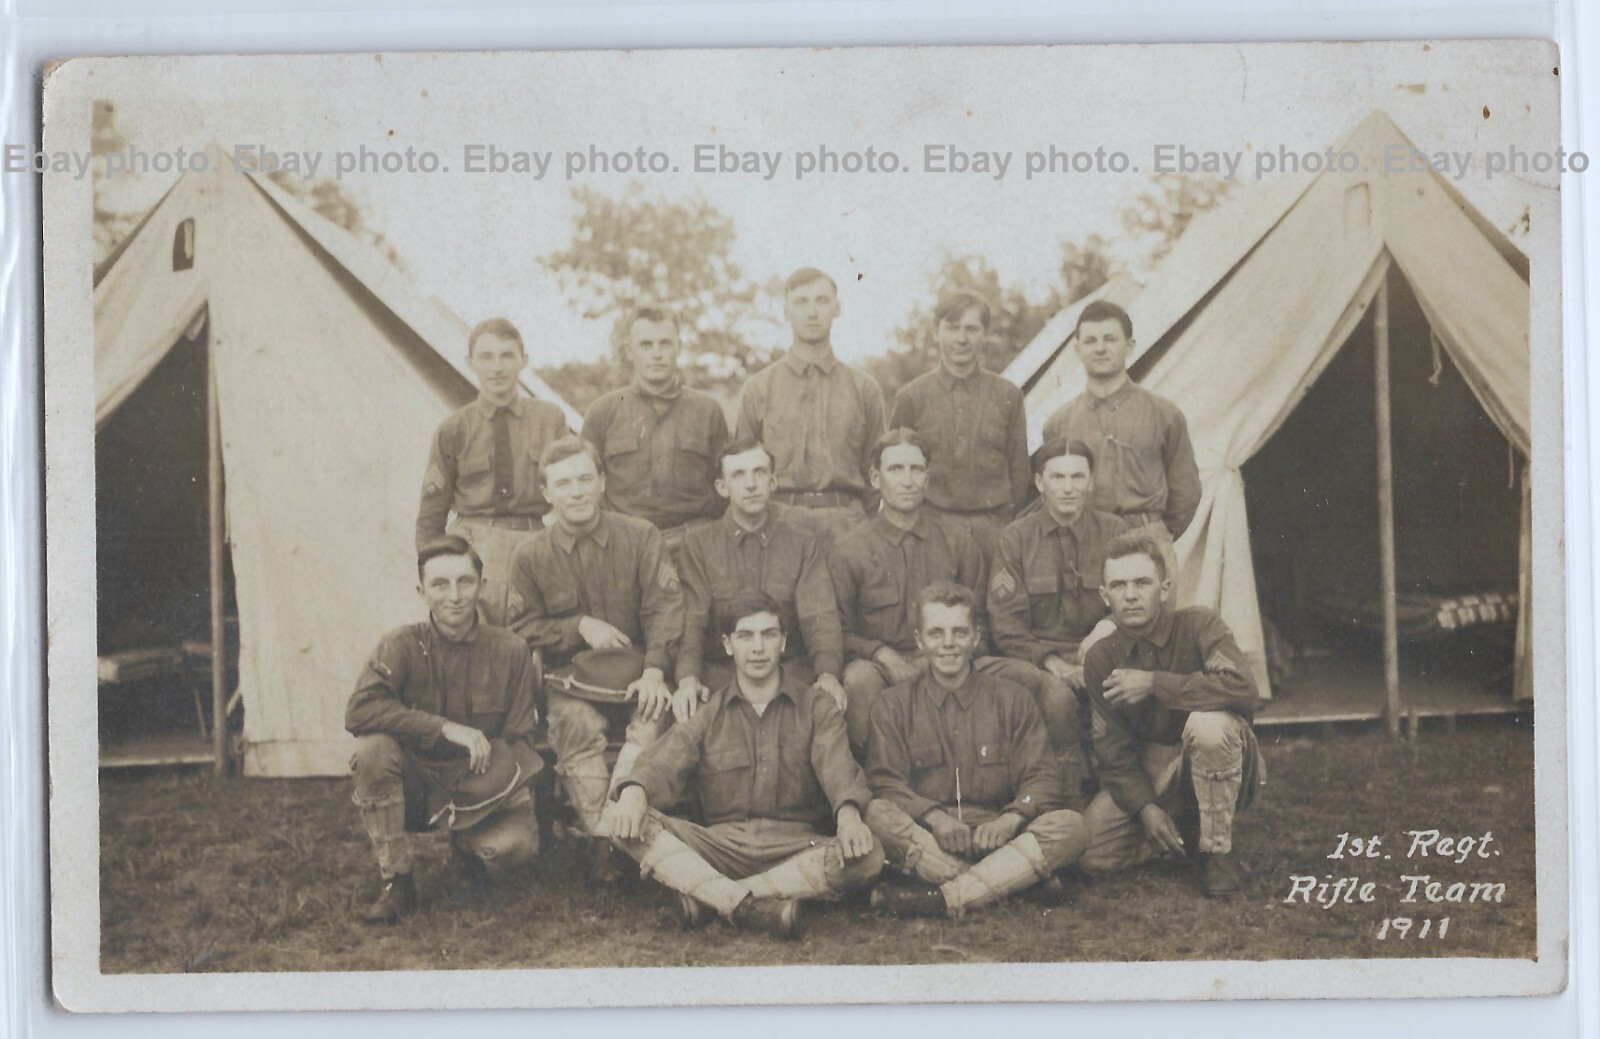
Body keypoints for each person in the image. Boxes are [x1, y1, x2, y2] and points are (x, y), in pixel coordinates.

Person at [604, 591, 883, 938]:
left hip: (796, 847)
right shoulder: (710, 712)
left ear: (783, 643)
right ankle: (748, 900)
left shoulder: (816, 708)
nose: (757, 647)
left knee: (869, 856)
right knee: (622, 821)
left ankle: (713, 896)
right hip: (720, 848)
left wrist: (848, 817)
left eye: (768, 635)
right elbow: (664, 760)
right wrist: (634, 790)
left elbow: (838, 768)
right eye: (745, 636)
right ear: (727, 645)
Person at [505, 436, 682, 877]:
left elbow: (666, 607)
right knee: (578, 727)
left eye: (586, 478)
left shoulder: (640, 536)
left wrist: (657, 672)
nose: (577, 491)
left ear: (602, 482)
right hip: (572, 682)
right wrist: (577, 625)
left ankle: (612, 840)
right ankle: (610, 844)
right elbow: (519, 626)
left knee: (651, 719)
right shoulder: (530, 556)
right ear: (546, 493)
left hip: (642, 674)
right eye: (563, 483)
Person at [831, 429, 1062, 762]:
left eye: (916, 470)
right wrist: (881, 654)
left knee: (1034, 682)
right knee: (859, 682)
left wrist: (944, 653)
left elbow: (980, 620)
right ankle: (871, 785)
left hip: (954, 654)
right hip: (881, 664)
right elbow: (839, 630)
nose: (907, 480)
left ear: (927, 478)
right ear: (874, 478)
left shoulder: (956, 542)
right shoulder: (849, 549)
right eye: (896, 469)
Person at [863, 581, 1089, 918]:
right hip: (931, 840)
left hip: (1002, 837)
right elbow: (886, 783)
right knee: (876, 814)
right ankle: (1011, 882)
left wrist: (1011, 819)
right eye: (936, 633)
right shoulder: (893, 705)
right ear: (919, 641)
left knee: (1071, 826)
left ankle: (942, 897)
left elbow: (1041, 779)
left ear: (976, 637)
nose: (949, 644)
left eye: (959, 632)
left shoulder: (1013, 699)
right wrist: (937, 820)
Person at [345, 536, 541, 922]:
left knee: (513, 849)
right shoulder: (399, 645)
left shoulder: (512, 650)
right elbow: (359, 712)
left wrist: (482, 798)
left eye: (465, 582)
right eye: (440, 584)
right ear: (422, 592)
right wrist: (444, 728)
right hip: (416, 785)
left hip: (482, 786)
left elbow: (520, 740)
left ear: (482, 587)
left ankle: (470, 848)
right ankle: (397, 882)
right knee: (372, 750)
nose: (455, 596)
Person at [1079, 532, 1262, 898]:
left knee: (1208, 724)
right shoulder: (1101, 657)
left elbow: (1243, 688)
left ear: (1163, 589)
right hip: (1156, 767)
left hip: (1222, 753)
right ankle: (1184, 830)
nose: (1130, 595)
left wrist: (1155, 683)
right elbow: (1112, 749)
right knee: (1091, 853)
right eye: (1119, 585)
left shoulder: (1199, 626)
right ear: (1105, 596)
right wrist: (1146, 808)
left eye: (1142, 583)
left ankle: (1216, 850)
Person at [990, 438, 1130, 802]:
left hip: (1101, 649)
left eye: (1077, 477)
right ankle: (1071, 797)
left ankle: (1123, 791)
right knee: (1057, 697)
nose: (1068, 488)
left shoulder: (1114, 531)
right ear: (1040, 482)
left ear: (1091, 481)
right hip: (1035, 659)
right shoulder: (1016, 538)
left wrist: (1107, 626)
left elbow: (1136, 600)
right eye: (1057, 477)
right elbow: (1006, 625)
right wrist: (1052, 664)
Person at [672, 437, 846, 718]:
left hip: (788, 676)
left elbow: (820, 617)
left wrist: (827, 673)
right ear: (722, 487)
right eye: (738, 475)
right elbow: (692, 621)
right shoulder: (699, 545)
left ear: (773, 482)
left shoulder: (802, 543)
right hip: (721, 678)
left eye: (759, 473)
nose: (751, 484)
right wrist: (688, 678)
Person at [415, 317, 571, 627]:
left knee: (532, 644)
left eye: (507, 356)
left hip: (533, 541)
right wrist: (439, 574)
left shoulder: (549, 419)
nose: (497, 367)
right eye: (486, 357)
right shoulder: (454, 429)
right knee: (469, 648)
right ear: (470, 362)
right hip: (473, 546)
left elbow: (571, 490)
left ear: (523, 361)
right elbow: (431, 517)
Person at [1038, 300, 1201, 580]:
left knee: (1154, 622)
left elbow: (1186, 492)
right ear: (1077, 351)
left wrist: (1155, 532)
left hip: (1148, 538)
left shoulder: (1164, 414)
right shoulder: (1059, 423)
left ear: (1130, 345)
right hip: (1084, 542)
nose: (1100, 348)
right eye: (1090, 341)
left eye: (1110, 339)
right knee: (1087, 623)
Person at [735, 267, 886, 546]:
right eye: (801, 302)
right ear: (786, 312)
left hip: (847, 526)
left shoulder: (864, 389)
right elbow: (741, 467)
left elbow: (877, 472)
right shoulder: (758, 389)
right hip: (777, 524)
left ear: (837, 309)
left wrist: (860, 525)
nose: (812, 312)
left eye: (822, 301)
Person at [580, 305, 731, 568]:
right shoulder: (603, 412)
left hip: (694, 547)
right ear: (630, 350)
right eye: (646, 345)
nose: (657, 354)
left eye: (665, 343)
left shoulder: (708, 411)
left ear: (679, 347)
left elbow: (725, 487)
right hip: (623, 547)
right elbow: (586, 484)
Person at [889, 291, 1031, 565]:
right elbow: (893, 468)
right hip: (930, 529)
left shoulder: (1008, 396)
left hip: (994, 530)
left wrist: (1004, 523)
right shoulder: (912, 397)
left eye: (971, 329)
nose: (962, 339)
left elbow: (1019, 470)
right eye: (952, 328)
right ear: (936, 332)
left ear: (984, 334)